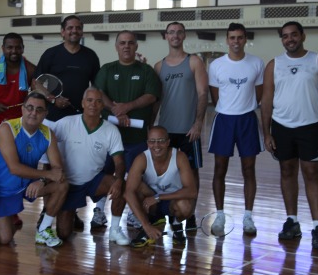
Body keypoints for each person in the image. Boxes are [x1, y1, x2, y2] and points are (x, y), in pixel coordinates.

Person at [261, 21, 318, 250]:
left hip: (311, 127)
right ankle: (292, 221)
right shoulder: (274, 64)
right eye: (285, 36)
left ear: (303, 36)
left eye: (294, 35)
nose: (290, 39)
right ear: (282, 39)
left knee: (312, 173)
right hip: (282, 127)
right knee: (287, 171)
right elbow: (266, 100)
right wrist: (267, 132)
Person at [33, 15, 101, 229]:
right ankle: (46, 210)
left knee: (74, 165)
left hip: (78, 121)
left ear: (82, 31)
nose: (74, 31)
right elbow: (37, 81)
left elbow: (95, 87)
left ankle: (71, 210)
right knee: (49, 164)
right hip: (52, 120)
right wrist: (52, 99)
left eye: (78, 28)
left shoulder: (90, 56)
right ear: (62, 31)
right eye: (70, 28)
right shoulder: (51, 54)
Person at [95, 30, 161, 228]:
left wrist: (127, 106)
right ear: (116, 47)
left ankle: (135, 212)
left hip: (136, 137)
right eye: (122, 43)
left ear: (136, 46)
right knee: (105, 173)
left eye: (130, 43)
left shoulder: (146, 71)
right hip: (109, 137)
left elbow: (151, 95)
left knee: (136, 177)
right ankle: (98, 210)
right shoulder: (107, 69)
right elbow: (99, 92)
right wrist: (116, 110)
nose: (126, 46)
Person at [0, 91, 69, 247]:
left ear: (45, 113)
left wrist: (42, 180)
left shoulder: (48, 133)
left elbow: (57, 170)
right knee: (5, 239)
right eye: (30, 108)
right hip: (3, 190)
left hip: (27, 185)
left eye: (39, 110)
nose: (33, 113)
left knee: (62, 185)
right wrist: (46, 174)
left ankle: (44, 229)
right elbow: (14, 168)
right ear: (22, 109)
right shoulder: (7, 128)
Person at [208, 22, 265, 237]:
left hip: (247, 120)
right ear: (227, 40)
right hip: (224, 120)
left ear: (245, 39)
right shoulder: (216, 65)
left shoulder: (256, 63)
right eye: (232, 37)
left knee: (249, 169)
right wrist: (229, 108)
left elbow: (259, 93)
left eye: (240, 37)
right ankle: (220, 215)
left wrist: (243, 107)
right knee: (219, 169)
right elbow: (215, 96)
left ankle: (248, 216)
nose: (236, 41)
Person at [52, 87, 129, 245]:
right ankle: (67, 213)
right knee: (64, 234)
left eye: (98, 101)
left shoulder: (110, 130)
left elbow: (119, 161)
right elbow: (46, 144)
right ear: (82, 103)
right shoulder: (66, 123)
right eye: (89, 100)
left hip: (94, 180)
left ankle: (114, 230)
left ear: (102, 106)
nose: (93, 104)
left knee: (122, 185)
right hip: (68, 184)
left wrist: (119, 180)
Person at [153, 21, 208, 235]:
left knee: (191, 174)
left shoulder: (194, 61)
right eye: (171, 32)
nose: (175, 35)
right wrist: (152, 125)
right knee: (169, 174)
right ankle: (171, 214)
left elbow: (203, 94)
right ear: (166, 36)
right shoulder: (159, 66)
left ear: (184, 36)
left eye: (179, 32)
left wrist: (198, 122)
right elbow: (157, 100)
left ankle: (190, 212)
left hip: (188, 131)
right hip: (166, 132)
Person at [0, 32, 35, 227]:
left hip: (20, 126)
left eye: (17, 47)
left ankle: (11, 212)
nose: (14, 51)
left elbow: (38, 94)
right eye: (10, 47)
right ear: (3, 49)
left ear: (23, 48)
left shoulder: (30, 69)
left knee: (15, 169)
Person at [123, 126, 197, 247]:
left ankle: (177, 224)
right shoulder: (142, 159)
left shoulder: (179, 157)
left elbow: (192, 191)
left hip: (171, 202)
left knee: (185, 206)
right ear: (147, 143)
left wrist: (159, 197)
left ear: (168, 142)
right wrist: (146, 226)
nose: (156, 146)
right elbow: (128, 192)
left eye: (161, 141)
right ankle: (148, 226)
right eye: (152, 141)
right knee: (135, 188)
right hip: (151, 202)